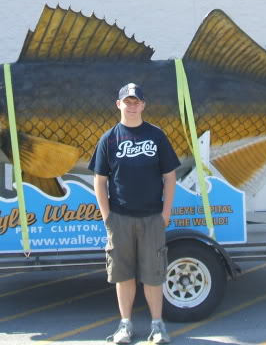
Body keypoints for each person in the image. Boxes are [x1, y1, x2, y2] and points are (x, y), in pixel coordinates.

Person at [89, 83, 180, 344]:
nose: (132, 106)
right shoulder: (109, 138)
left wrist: (165, 213)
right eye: (127, 101)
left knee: (153, 274)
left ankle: (157, 325)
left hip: (152, 217)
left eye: (136, 101)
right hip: (120, 217)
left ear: (143, 105)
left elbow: (169, 176)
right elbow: (100, 180)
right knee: (123, 274)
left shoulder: (156, 136)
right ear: (118, 104)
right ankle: (125, 325)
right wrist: (107, 215)